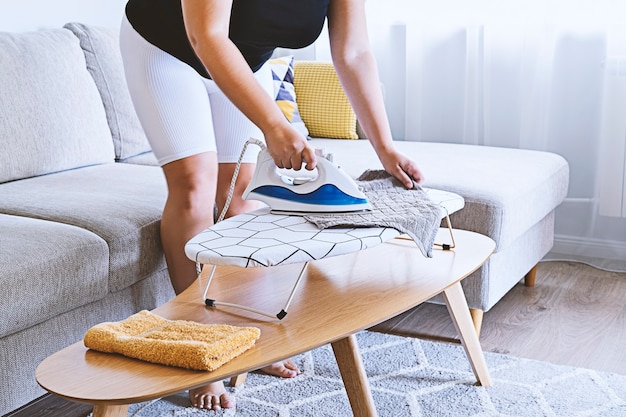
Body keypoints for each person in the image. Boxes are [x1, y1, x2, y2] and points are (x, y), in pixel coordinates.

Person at [120, 0, 425, 411]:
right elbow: (205, 34)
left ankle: (245, 333)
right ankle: (200, 348)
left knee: (241, 192)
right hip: (167, 50)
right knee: (195, 184)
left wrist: (385, 148)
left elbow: (352, 52)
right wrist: (274, 124)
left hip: (240, 59)